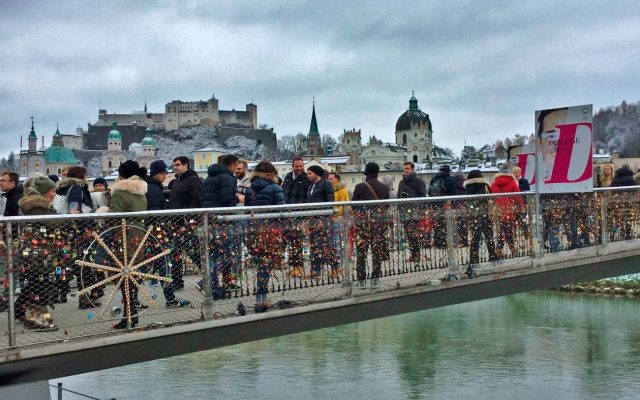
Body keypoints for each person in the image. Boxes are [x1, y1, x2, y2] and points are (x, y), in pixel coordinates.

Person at [103, 161, 149, 329]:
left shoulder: (120, 193)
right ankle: (131, 313)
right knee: (133, 273)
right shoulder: (141, 192)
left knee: (123, 275)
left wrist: (103, 211)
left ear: (121, 176)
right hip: (138, 235)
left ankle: (129, 315)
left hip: (123, 236)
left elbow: (114, 218)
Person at [16, 176, 59, 331]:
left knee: (38, 285)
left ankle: (33, 316)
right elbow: (54, 223)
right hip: (38, 254)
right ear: (43, 192)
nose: (55, 194)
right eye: (52, 191)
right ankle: (38, 319)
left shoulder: (37, 206)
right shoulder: (38, 207)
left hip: (37, 252)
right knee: (40, 286)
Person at [244, 161, 285, 309]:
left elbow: (247, 211)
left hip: (253, 230)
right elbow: (281, 211)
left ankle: (260, 297)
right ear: (272, 173)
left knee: (260, 263)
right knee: (265, 265)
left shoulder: (250, 189)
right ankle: (261, 298)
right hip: (269, 231)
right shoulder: (275, 188)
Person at [202, 154, 240, 296]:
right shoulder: (227, 178)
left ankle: (212, 285)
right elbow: (226, 199)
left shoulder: (209, 177)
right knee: (224, 254)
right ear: (232, 164)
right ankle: (214, 287)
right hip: (223, 221)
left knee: (213, 254)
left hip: (210, 221)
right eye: (237, 165)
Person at [352, 162, 390, 289]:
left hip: (363, 223)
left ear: (366, 173)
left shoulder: (359, 187)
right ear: (377, 173)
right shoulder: (384, 188)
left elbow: (354, 206)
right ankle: (375, 279)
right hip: (378, 223)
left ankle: (361, 280)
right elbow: (387, 205)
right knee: (376, 251)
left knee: (361, 252)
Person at [305, 165, 335, 279]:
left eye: (310, 173)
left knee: (326, 245)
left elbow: (330, 201)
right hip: (313, 219)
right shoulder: (311, 186)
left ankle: (334, 268)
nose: (308, 176)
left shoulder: (325, 184)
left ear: (317, 174)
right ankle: (316, 270)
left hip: (323, 219)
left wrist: (327, 215)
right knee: (314, 245)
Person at [281, 158, 308, 277]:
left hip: (298, 215)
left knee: (296, 242)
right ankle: (290, 266)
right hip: (286, 214)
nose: (299, 168)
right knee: (286, 240)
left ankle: (297, 268)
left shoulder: (306, 178)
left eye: (301, 166)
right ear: (292, 166)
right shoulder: (287, 177)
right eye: (296, 166)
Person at [463, 170, 497, 265]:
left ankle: (474, 259)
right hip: (485, 214)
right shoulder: (484, 185)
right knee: (489, 236)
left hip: (474, 215)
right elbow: (491, 197)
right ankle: (493, 256)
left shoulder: (468, 187)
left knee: (475, 238)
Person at [491, 163, 524, 258]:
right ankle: (510, 249)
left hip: (499, 209)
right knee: (507, 230)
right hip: (509, 209)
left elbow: (492, 196)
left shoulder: (494, 183)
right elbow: (517, 196)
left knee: (504, 230)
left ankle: (500, 249)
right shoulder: (512, 182)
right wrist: (521, 206)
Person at [397, 161, 427, 262]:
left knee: (414, 234)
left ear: (412, 169)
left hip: (414, 211)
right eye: (404, 168)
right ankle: (413, 254)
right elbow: (398, 197)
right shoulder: (401, 182)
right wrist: (399, 207)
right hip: (404, 211)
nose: (405, 170)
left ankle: (416, 254)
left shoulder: (418, 182)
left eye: (407, 168)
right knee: (408, 234)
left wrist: (418, 207)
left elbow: (423, 196)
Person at [428, 164, 456, 248]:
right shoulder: (450, 179)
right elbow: (453, 193)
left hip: (435, 204)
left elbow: (430, 192)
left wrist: (431, 205)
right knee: (446, 223)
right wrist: (452, 204)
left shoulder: (434, 179)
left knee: (437, 224)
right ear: (448, 171)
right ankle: (444, 242)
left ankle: (437, 241)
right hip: (445, 204)